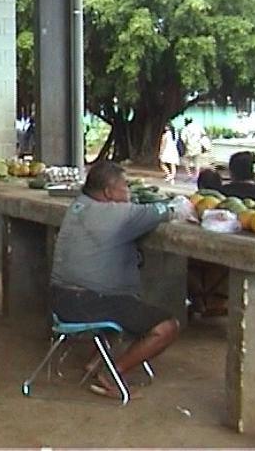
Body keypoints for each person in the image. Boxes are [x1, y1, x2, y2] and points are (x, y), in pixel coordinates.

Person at [50, 161, 179, 399]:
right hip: (86, 302)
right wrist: (178, 205)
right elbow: (162, 211)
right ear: (109, 192)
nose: (128, 192)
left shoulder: (78, 206)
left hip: (63, 298)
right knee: (167, 326)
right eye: (124, 187)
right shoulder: (114, 214)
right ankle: (113, 375)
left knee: (125, 299)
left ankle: (94, 363)